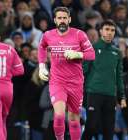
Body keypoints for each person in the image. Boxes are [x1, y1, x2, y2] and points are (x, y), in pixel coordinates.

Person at [38, 6, 95, 140]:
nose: (62, 20)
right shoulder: (48, 35)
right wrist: (41, 66)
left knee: (74, 118)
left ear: (69, 19)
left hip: (76, 82)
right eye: (59, 18)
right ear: (55, 20)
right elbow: (41, 47)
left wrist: (78, 53)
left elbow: (91, 54)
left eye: (65, 18)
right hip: (57, 81)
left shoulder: (79, 34)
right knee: (59, 115)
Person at [82, 20, 127, 140]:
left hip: (110, 95)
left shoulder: (117, 53)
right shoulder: (91, 49)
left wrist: (121, 96)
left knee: (109, 131)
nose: (110, 33)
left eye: (112, 30)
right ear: (101, 31)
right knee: (91, 127)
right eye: (107, 29)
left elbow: (119, 76)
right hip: (94, 93)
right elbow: (83, 72)